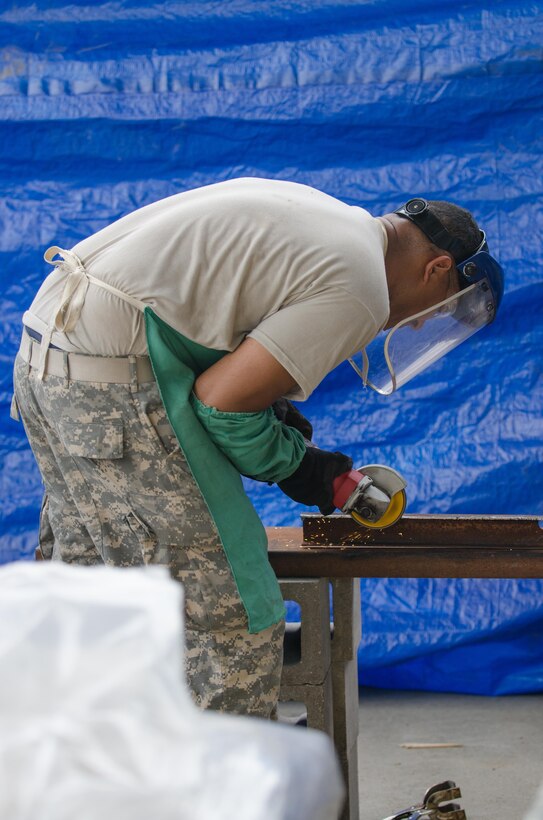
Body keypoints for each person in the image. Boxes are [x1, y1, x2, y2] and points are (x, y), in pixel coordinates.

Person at [11, 178, 504, 718]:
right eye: (441, 308)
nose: (429, 320)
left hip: (47, 360)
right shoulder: (362, 286)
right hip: (110, 379)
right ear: (436, 270)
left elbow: (200, 322)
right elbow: (221, 405)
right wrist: (308, 470)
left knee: (89, 588)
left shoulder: (332, 216)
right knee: (227, 616)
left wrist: (267, 405)